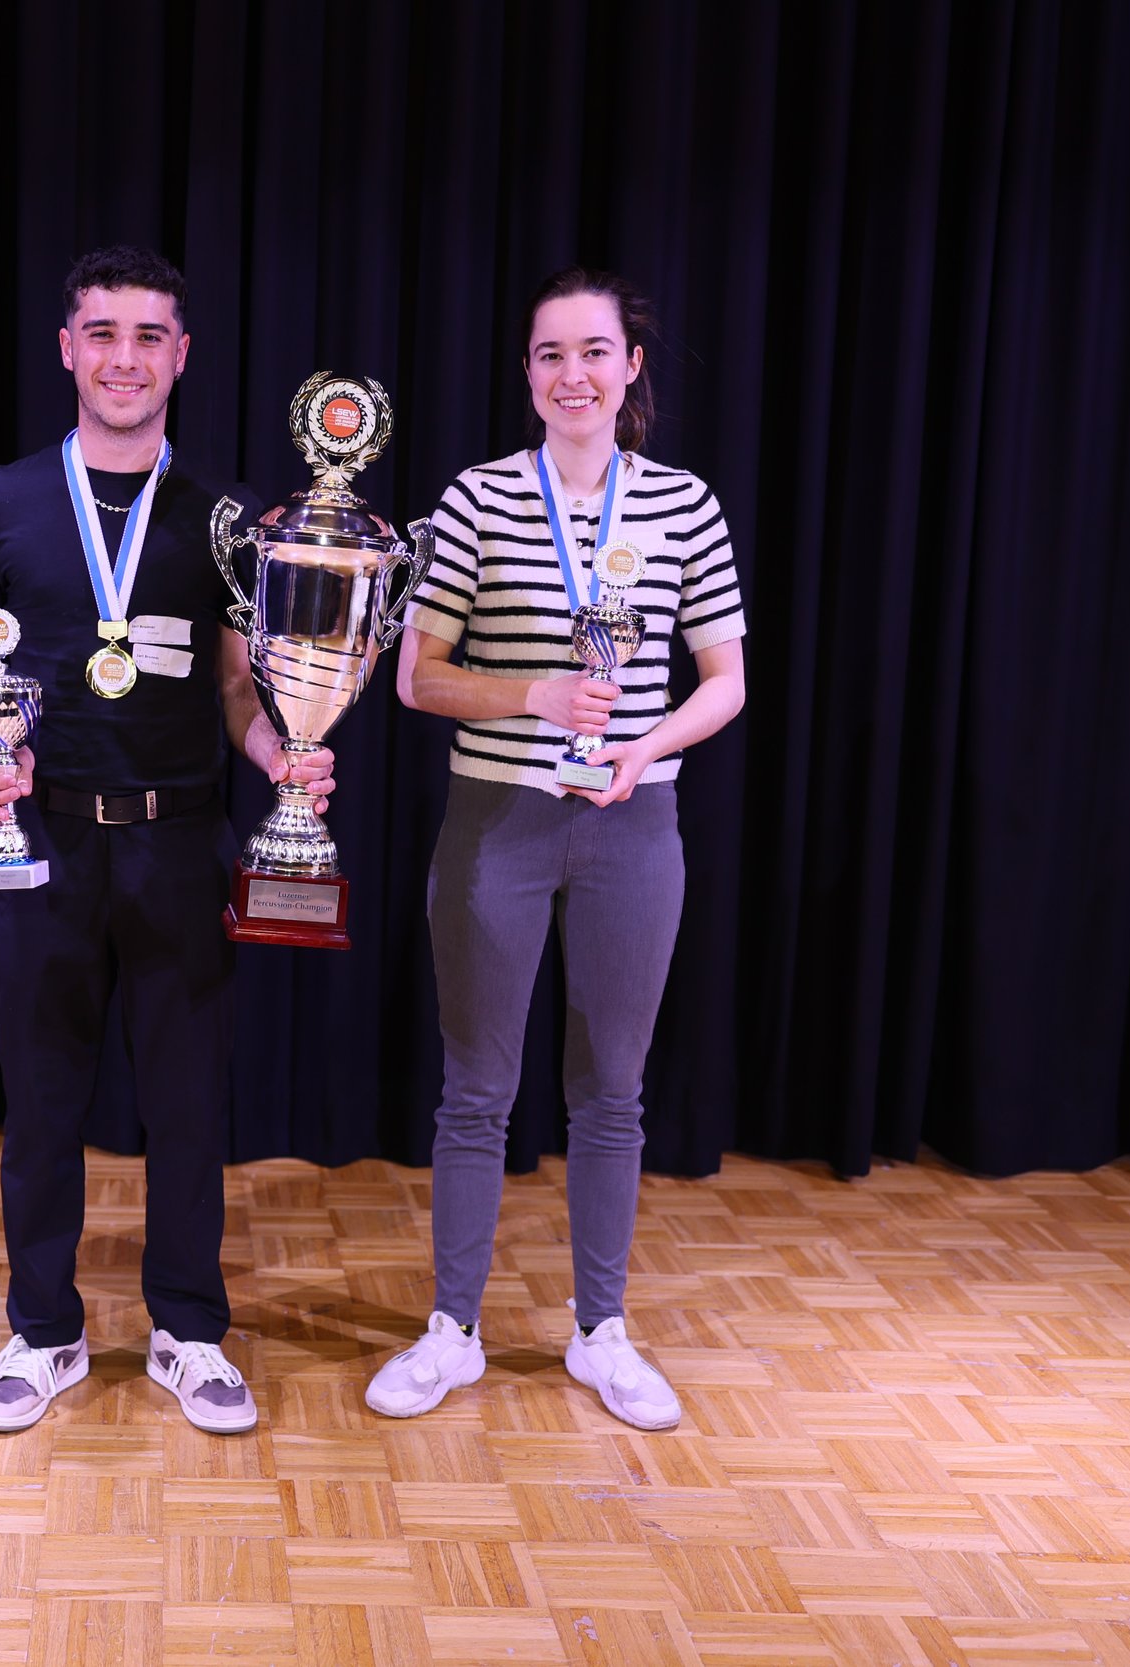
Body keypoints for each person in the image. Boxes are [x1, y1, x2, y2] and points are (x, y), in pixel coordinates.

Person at [0, 246, 334, 1435]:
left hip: (178, 839)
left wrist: (284, 755)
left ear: (182, 354)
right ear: (68, 347)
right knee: (42, 1101)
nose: (125, 357)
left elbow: (236, 687)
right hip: (45, 843)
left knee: (186, 1105)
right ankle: (43, 1329)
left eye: (149, 335)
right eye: (103, 333)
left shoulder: (228, 517)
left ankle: (188, 1328)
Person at [372, 268, 746, 1430]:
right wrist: (534, 692)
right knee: (476, 1089)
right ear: (527, 371)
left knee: (611, 1092)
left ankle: (601, 1330)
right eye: (549, 354)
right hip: (499, 819)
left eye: (592, 352)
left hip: (633, 822)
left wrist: (644, 745)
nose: (570, 374)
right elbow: (418, 676)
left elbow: (724, 680)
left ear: (630, 365)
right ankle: (452, 1328)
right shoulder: (479, 497)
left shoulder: (684, 504)